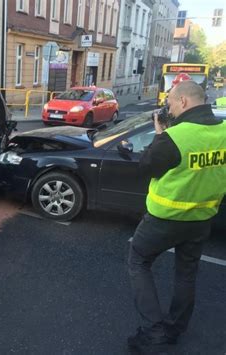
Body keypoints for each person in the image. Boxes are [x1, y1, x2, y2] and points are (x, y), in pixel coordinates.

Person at [127, 80, 226, 353]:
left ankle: (153, 330)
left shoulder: (175, 137)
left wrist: (160, 134)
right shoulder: (224, 131)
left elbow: (146, 167)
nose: (168, 106)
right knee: (186, 274)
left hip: (164, 219)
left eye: (170, 102)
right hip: (202, 218)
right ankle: (175, 327)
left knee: (138, 261)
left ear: (183, 102)